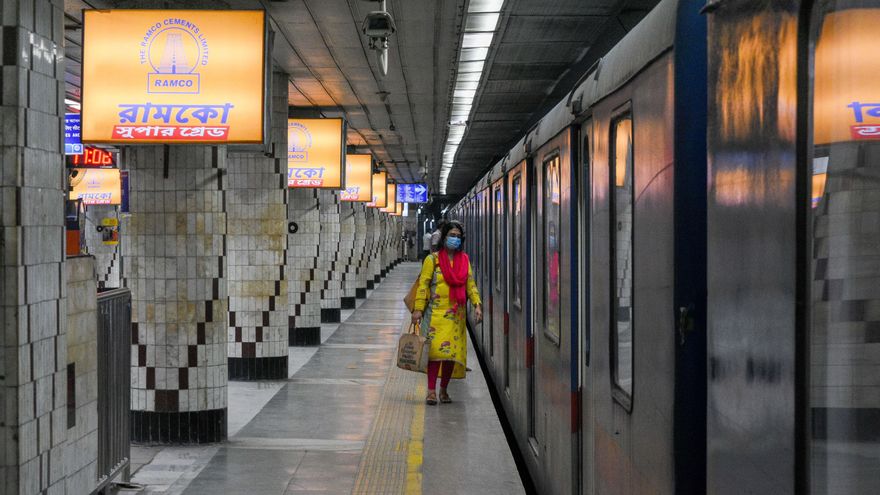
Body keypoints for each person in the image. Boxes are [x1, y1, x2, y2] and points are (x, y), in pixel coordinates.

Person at [411, 221, 482, 405]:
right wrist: (418, 309)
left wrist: (477, 305)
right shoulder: (432, 260)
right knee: (434, 354)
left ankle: (444, 390)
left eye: (458, 236)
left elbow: (470, 284)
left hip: (456, 315)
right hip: (435, 315)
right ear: (444, 238)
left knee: (450, 355)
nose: (455, 239)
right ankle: (431, 391)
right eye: (452, 235)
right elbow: (423, 285)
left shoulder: (464, 260)